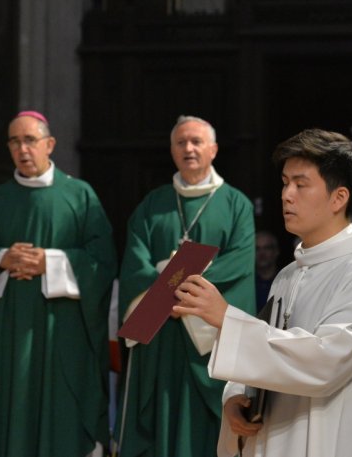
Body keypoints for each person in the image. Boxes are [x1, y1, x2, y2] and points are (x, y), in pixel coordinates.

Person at [173, 128, 352, 457]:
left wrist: (226, 318)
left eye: (300, 184)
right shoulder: (288, 276)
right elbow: (267, 352)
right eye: (284, 182)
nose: (286, 194)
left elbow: (324, 363)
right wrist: (236, 397)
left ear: (339, 198)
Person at [0, 110, 115, 457]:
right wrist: (2, 259)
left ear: (50, 144)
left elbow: (103, 263)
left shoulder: (80, 196)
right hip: (9, 337)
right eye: (14, 141)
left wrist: (51, 262)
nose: (22, 149)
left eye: (30, 140)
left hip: (63, 334)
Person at [117, 115, 255, 457]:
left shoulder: (236, 204)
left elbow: (239, 264)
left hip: (207, 338)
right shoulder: (153, 205)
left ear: (214, 150)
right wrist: (174, 283)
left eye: (196, 141)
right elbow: (135, 264)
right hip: (161, 336)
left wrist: (177, 287)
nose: (189, 148)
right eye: (181, 142)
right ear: (172, 150)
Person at [254, 230, 280, 311]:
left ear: (276, 251)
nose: (262, 253)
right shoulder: (247, 283)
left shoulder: (285, 280)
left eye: (267, 248)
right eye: (257, 249)